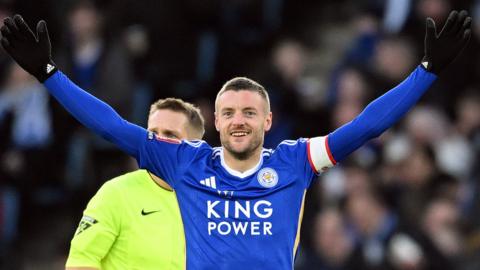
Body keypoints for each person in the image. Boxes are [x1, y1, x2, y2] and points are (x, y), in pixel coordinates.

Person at [0, 10, 471, 270]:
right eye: (228, 113)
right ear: (216, 123)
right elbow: (110, 125)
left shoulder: (295, 161)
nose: (239, 120)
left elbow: (365, 127)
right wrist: (48, 74)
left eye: (249, 112)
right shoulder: (186, 162)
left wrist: (425, 74)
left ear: (269, 120)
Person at [65, 98, 205, 269]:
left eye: (170, 135)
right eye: (152, 133)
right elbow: (81, 262)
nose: (158, 142)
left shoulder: (213, 204)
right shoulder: (116, 193)